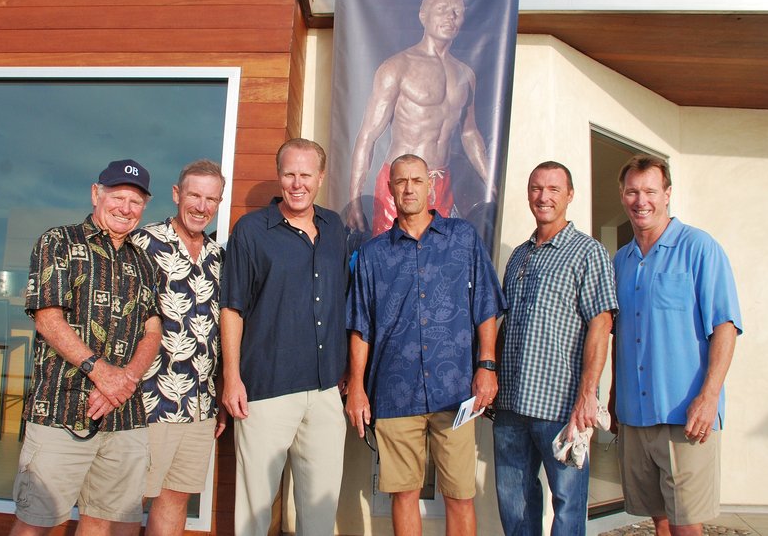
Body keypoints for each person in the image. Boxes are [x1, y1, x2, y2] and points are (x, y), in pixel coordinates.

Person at [346, 153, 505, 536]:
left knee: (460, 494)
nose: (408, 188)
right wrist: (356, 388)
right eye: (400, 181)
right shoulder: (372, 255)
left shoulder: (463, 238)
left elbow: (485, 304)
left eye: (417, 180)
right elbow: (360, 326)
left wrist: (486, 367)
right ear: (389, 188)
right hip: (396, 391)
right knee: (404, 494)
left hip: (455, 391)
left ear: (430, 185)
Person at [11, 159, 162, 536]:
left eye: (136, 201)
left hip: (124, 416)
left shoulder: (144, 262)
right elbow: (48, 318)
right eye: (118, 197)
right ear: (97, 194)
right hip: (61, 410)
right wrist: (101, 372)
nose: (126, 208)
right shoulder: (57, 241)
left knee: (109, 524)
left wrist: (123, 381)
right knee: (36, 523)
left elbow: (153, 331)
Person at [220, 138, 348, 536]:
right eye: (289, 174)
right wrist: (231, 377)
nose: (297, 183)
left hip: (326, 391)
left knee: (319, 513)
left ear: (320, 178)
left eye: (306, 174)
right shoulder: (252, 231)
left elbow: (341, 300)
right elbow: (232, 308)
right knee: (255, 513)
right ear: (279, 176)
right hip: (266, 388)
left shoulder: (335, 228)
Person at [613, 155, 742, 536]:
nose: (641, 200)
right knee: (659, 517)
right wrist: (616, 398)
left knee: (687, 522)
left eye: (650, 191)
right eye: (633, 192)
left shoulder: (699, 248)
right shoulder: (620, 260)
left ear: (667, 194)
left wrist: (709, 396)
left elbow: (725, 326)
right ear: (622, 196)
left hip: (686, 415)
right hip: (635, 416)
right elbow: (622, 333)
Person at [493, 161, 618, 536]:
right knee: (515, 503)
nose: (543, 197)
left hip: (562, 407)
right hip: (512, 405)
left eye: (553, 189)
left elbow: (601, 322)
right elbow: (507, 326)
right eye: (535, 188)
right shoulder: (519, 255)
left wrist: (587, 397)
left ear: (570, 196)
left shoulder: (588, 252)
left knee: (567, 505)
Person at [346, 0, 493, 237]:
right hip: (403, 182)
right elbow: (368, 134)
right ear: (424, 16)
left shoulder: (465, 75)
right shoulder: (397, 67)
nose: (450, 17)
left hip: (441, 180)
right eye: (442, 10)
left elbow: (469, 134)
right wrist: (355, 197)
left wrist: (491, 184)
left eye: (457, 12)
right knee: (391, 259)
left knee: (437, 260)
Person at [132, 159, 227, 536]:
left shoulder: (219, 257)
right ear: (176, 194)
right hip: (147, 401)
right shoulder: (144, 244)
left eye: (211, 199)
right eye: (194, 195)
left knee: (175, 498)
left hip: (200, 405)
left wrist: (219, 392)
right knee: (124, 498)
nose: (202, 206)